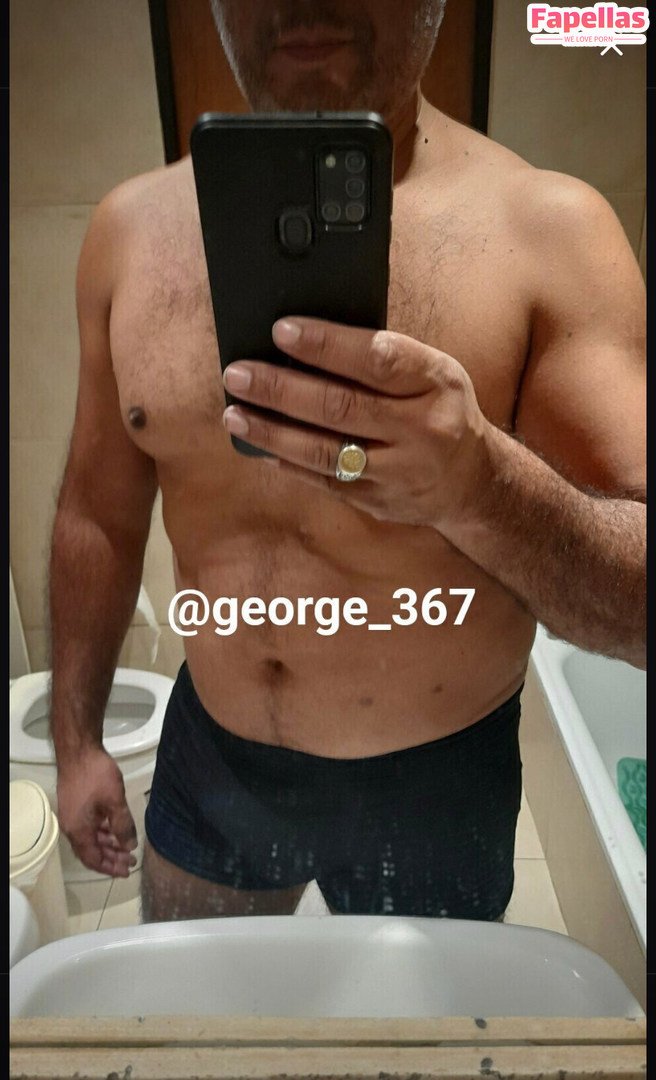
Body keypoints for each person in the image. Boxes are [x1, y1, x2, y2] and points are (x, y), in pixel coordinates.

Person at [49, 0, 645, 923]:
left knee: (422, 1022)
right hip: (217, 752)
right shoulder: (125, 232)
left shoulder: (552, 234)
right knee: (204, 1011)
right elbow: (97, 511)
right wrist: (76, 740)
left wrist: (481, 488)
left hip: (437, 776)